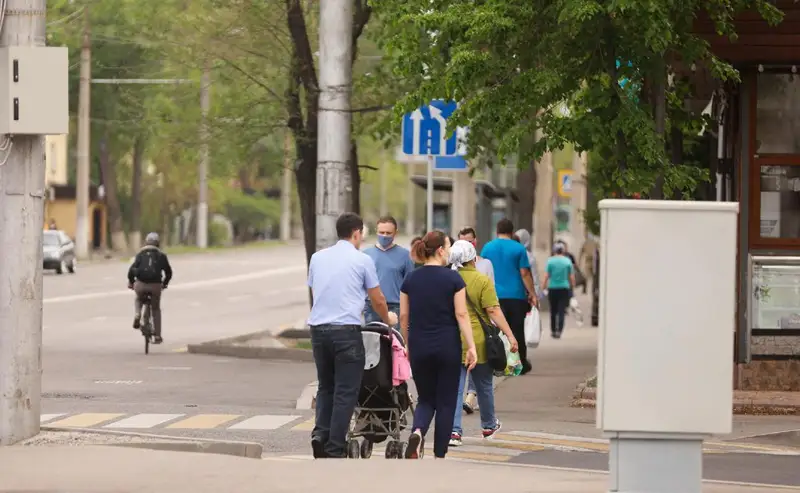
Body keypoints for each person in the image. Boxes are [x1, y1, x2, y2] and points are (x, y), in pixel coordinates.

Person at [306, 213, 398, 459]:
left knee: (326, 386)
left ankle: (319, 436)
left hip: (318, 331)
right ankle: (335, 447)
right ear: (357, 233)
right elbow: (377, 298)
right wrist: (387, 319)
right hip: (346, 331)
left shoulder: (317, 258)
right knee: (346, 391)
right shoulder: (362, 260)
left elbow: (318, 290)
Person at [399, 231, 477, 459]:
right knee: (446, 401)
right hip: (447, 346)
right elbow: (461, 314)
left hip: (419, 345)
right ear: (441, 250)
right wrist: (471, 346)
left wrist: (407, 342)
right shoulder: (454, 279)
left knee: (426, 398)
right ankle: (440, 453)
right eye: (448, 246)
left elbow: (404, 316)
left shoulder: (411, 279)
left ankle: (417, 432)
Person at [447, 240, 518, 447]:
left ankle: (453, 432)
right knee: (484, 385)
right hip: (479, 342)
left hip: (452, 339)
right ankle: (488, 425)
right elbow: (493, 311)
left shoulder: (447, 280)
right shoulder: (482, 280)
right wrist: (510, 336)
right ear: (472, 259)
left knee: (455, 388)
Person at [480, 218, 538, 375]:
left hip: (493, 296)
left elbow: (482, 269)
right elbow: (525, 273)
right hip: (516, 296)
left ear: (497, 231)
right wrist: (532, 294)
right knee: (517, 330)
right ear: (512, 232)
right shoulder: (519, 248)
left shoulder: (487, 247)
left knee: (497, 330)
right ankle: (520, 364)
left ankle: (497, 363)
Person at [457, 226, 493, 414]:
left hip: (480, 323)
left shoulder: (485, 265)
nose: (467, 245)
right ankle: (488, 422)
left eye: (470, 241)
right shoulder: (453, 270)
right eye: (463, 241)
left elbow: (492, 294)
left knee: (476, 366)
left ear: (476, 241)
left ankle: (471, 396)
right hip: (460, 325)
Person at [363, 216, 415, 324]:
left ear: (395, 233)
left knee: (395, 340)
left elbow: (410, 285)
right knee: (372, 339)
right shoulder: (366, 255)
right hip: (371, 306)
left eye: (388, 233)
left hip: (396, 307)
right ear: (376, 231)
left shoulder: (405, 256)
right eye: (381, 232)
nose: (384, 236)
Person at [127, 232, 173, 344]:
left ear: (146, 241)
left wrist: (131, 282)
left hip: (141, 284)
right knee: (156, 309)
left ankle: (137, 313)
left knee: (138, 298)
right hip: (156, 286)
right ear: (158, 243)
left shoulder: (140, 254)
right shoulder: (161, 255)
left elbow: (131, 270)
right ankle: (157, 336)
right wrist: (165, 283)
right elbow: (168, 272)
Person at [542, 242, 575, 339]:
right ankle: (559, 331)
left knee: (553, 310)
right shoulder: (567, 261)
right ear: (563, 251)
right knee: (561, 310)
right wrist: (572, 287)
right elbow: (572, 277)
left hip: (552, 288)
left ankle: (553, 330)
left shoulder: (550, 261)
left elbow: (546, 276)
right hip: (564, 288)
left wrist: (543, 287)